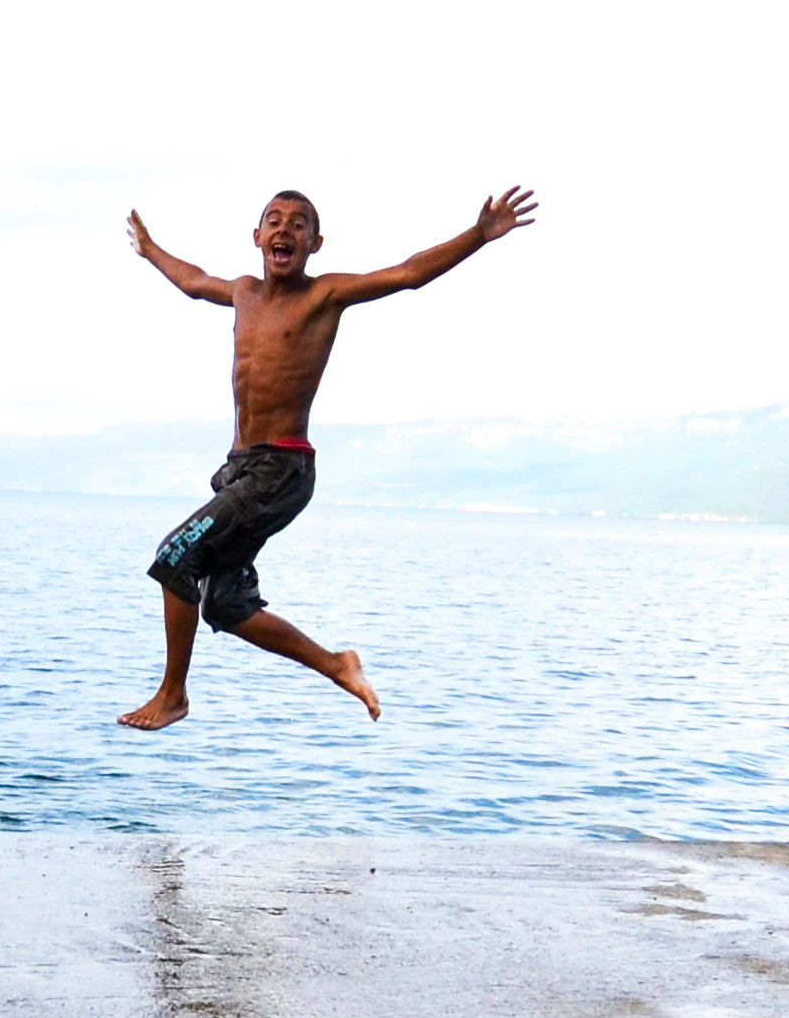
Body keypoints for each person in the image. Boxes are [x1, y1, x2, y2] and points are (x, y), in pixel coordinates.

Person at [118, 185, 533, 729]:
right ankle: (338, 665)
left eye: (298, 224)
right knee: (223, 605)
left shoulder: (324, 296)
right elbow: (193, 281)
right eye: (274, 220)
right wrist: (151, 251)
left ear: (316, 243)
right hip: (241, 470)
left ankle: (173, 694)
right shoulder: (242, 293)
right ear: (256, 237)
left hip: (281, 468)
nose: (284, 229)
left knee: (177, 554)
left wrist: (478, 235)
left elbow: (408, 274)